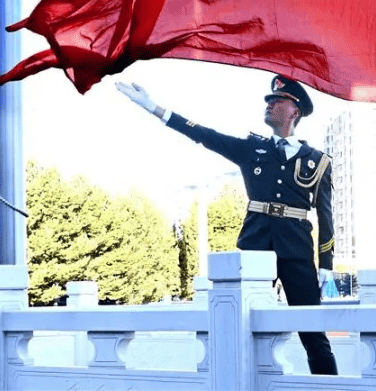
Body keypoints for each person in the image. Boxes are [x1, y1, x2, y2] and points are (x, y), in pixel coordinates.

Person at [116, 75, 338, 375]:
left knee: (313, 334)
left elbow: (326, 217)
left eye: (277, 101)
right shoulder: (251, 150)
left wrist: (326, 263)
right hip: (254, 248)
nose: (269, 104)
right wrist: (154, 108)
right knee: (239, 327)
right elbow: (204, 135)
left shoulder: (318, 161)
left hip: (297, 250)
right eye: (269, 101)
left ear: (294, 111)